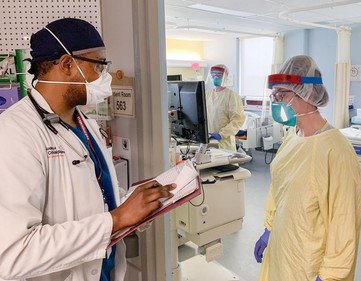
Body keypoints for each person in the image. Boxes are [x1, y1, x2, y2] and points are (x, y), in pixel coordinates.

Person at [0, 18, 176, 281]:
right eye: (99, 65)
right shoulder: (14, 133)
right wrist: (116, 220)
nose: (104, 78)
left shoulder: (86, 124)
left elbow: (97, 195)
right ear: (68, 64)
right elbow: (13, 255)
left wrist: (137, 203)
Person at [253, 55, 361, 281]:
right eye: (274, 95)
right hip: (282, 248)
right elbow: (279, 190)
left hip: (308, 264)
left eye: (282, 95)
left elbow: (344, 223)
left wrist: (331, 275)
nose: (276, 102)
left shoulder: (336, 151)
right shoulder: (291, 138)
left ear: (308, 94)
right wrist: (269, 228)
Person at [206, 64, 245, 151]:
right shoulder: (207, 95)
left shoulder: (232, 96)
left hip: (224, 143)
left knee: (224, 163)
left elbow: (237, 120)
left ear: (225, 77)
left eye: (219, 75)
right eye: (213, 74)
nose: (215, 77)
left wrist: (221, 134)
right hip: (208, 140)